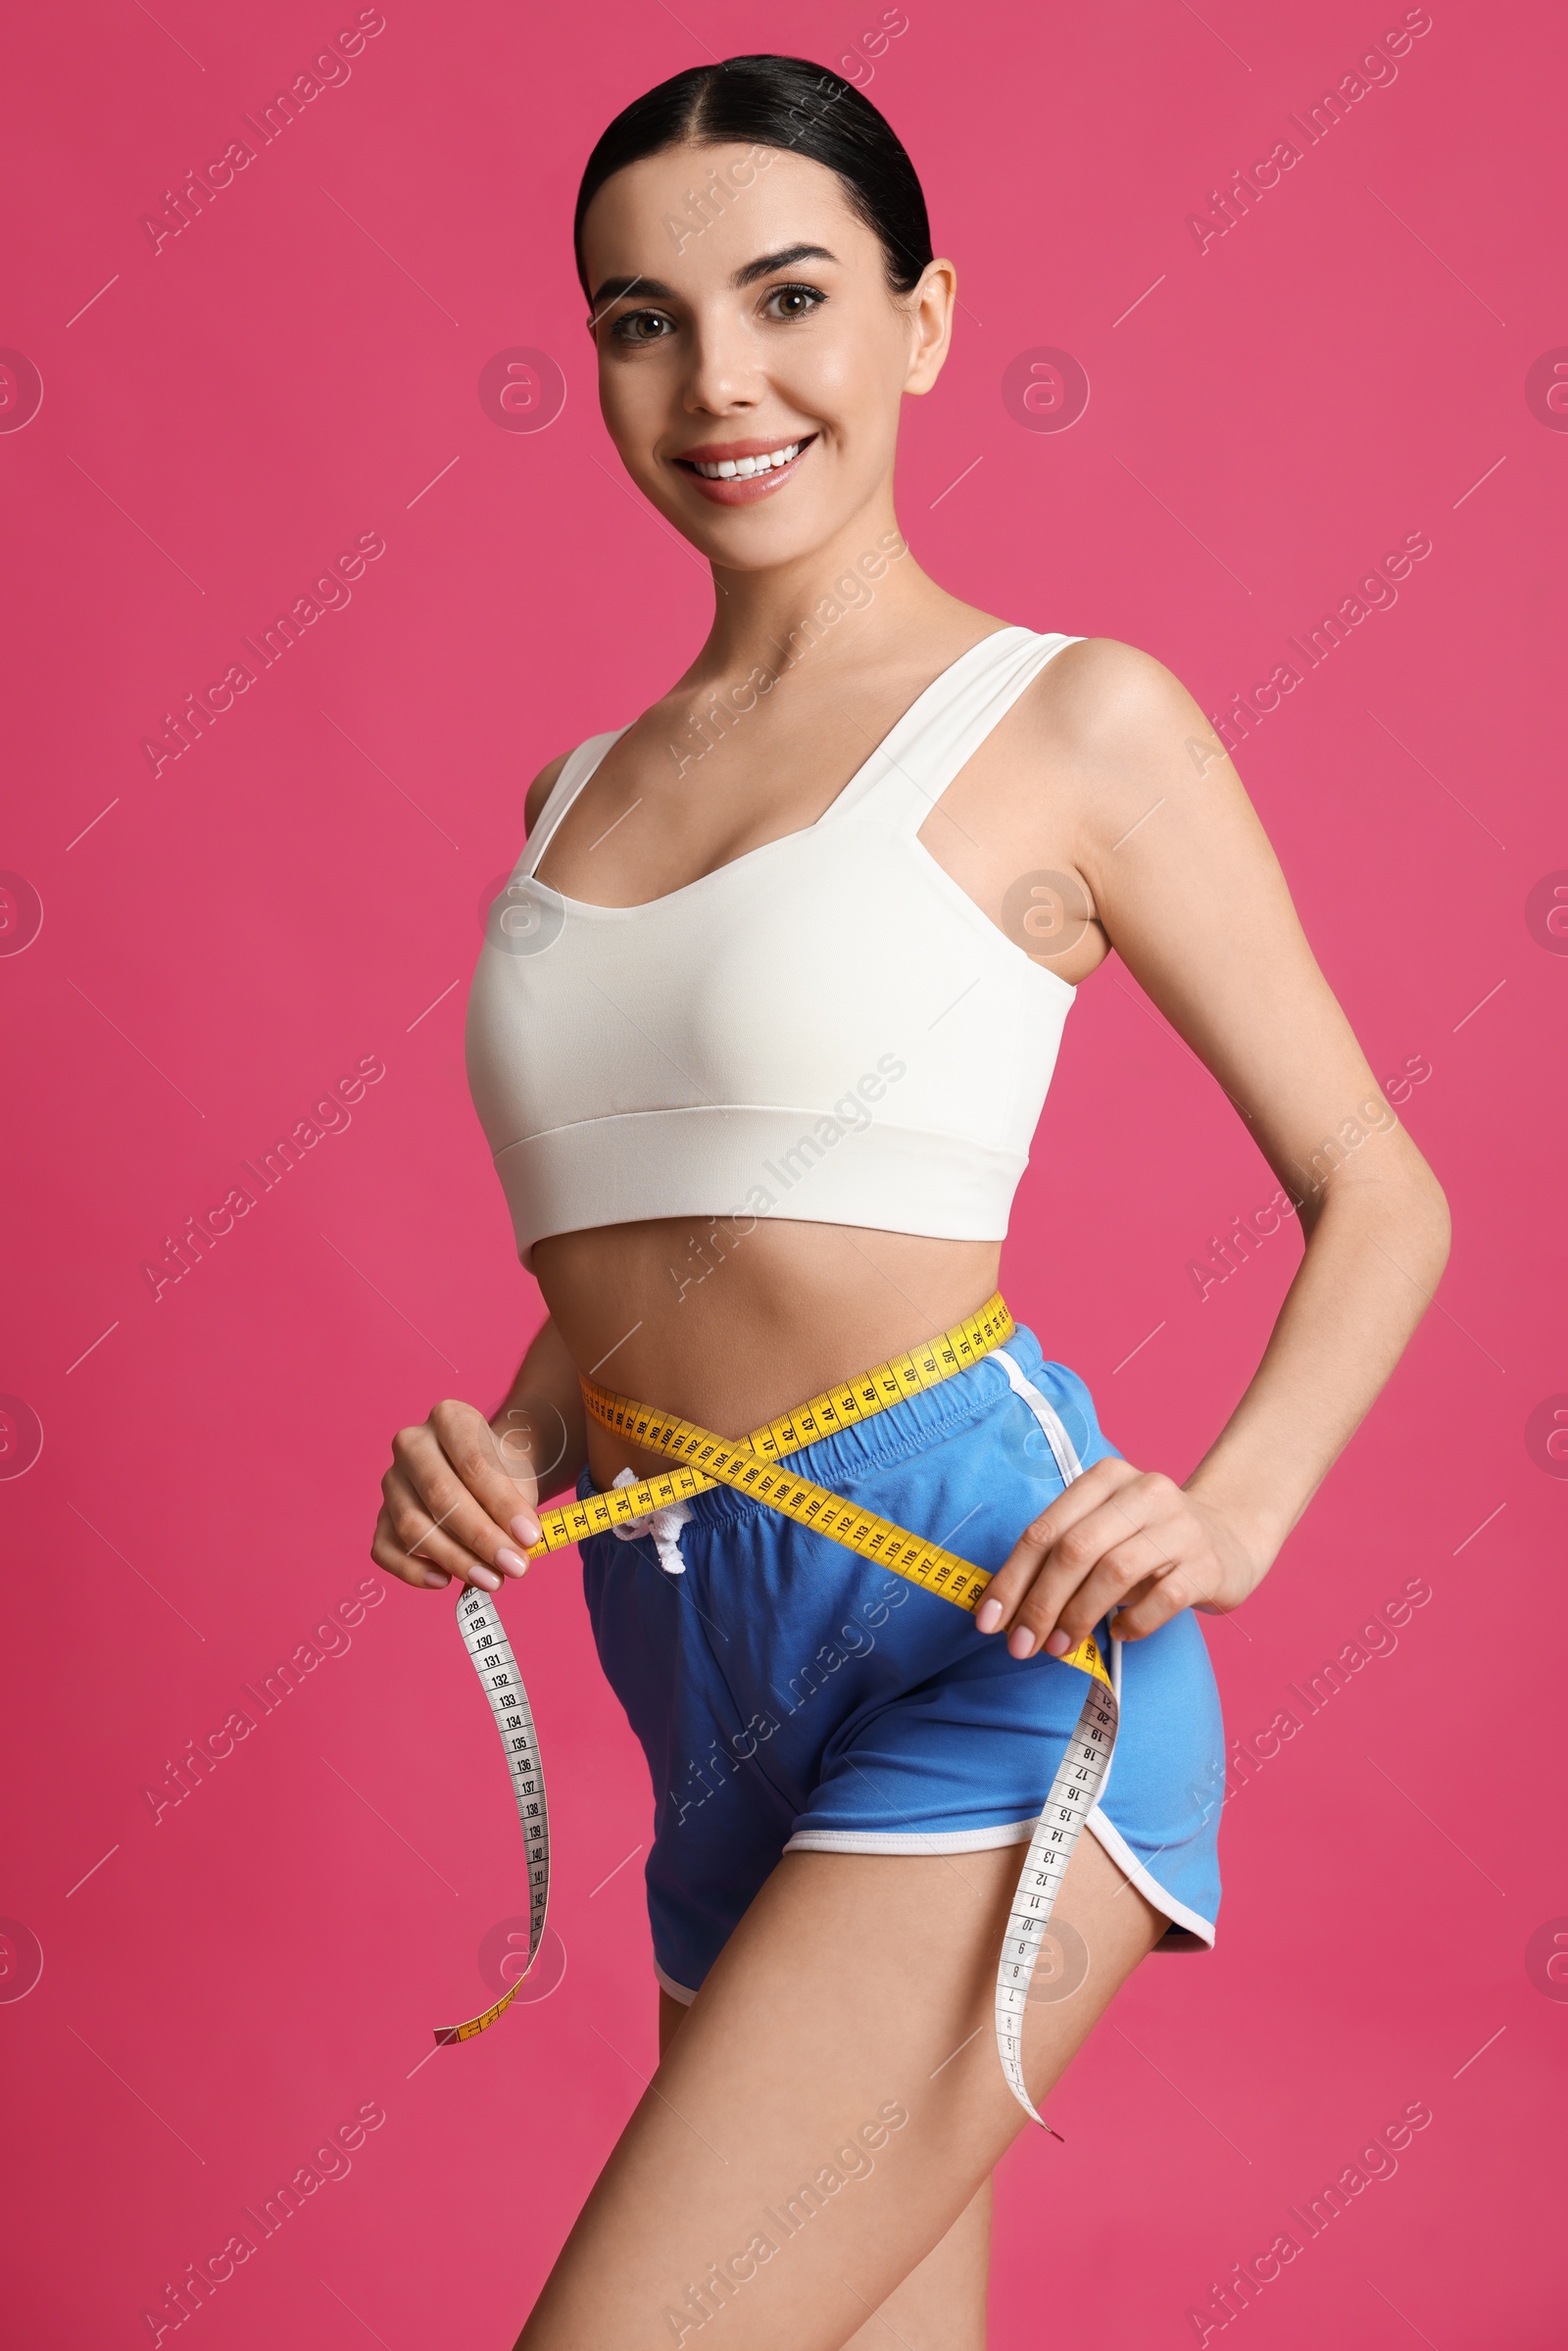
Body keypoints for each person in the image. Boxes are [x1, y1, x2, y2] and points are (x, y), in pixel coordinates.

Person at [369, 54, 1449, 2349]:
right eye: (639, 319)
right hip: (682, 1645)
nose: (718, 380)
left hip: (982, 1627)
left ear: (925, 321)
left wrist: (1234, 1508)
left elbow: (1376, 1181)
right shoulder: (571, 789)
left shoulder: (1067, 723)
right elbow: (668, 1245)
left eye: (787, 297)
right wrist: (508, 1442)